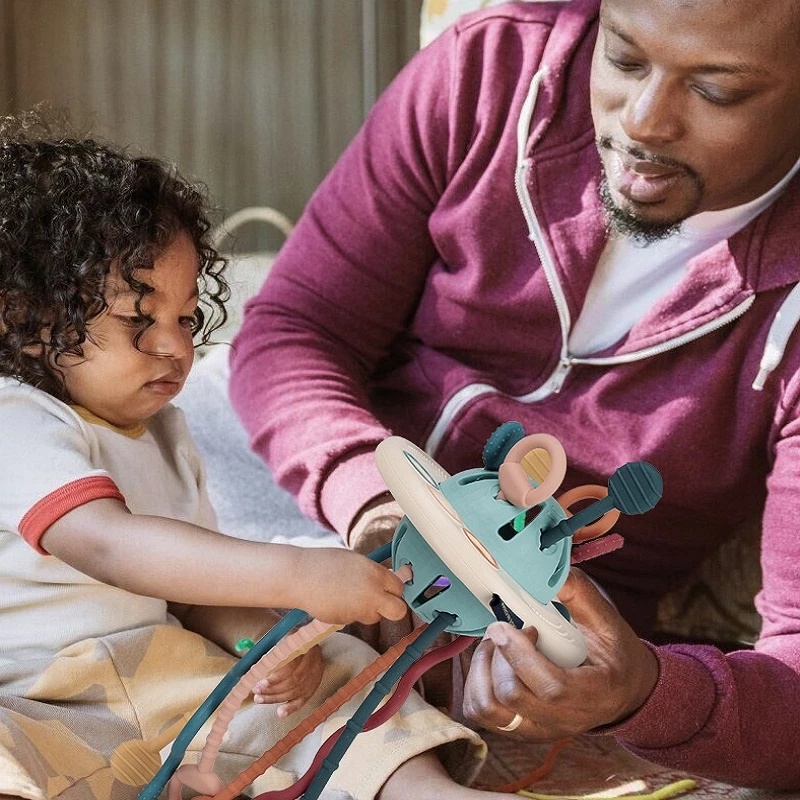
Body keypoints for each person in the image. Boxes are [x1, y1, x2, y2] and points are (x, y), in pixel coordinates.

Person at [228, 0, 800, 790]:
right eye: (623, 57)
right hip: (292, 498)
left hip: (509, 643)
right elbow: (296, 328)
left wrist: (643, 692)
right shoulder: (490, 72)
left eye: (716, 91)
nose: (643, 120)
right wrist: (377, 502)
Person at [0, 109, 528, 800]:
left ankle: (424, 790)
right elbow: (108, 545)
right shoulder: (15, 418)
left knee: (339, 660)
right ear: (28, 322)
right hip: (43, 701)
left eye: (186, 317)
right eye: (139, 319)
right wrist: (294, 576)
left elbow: (191, 595)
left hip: (173, 688)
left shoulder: (167, 435)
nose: (176, 346)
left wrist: (263, 640)